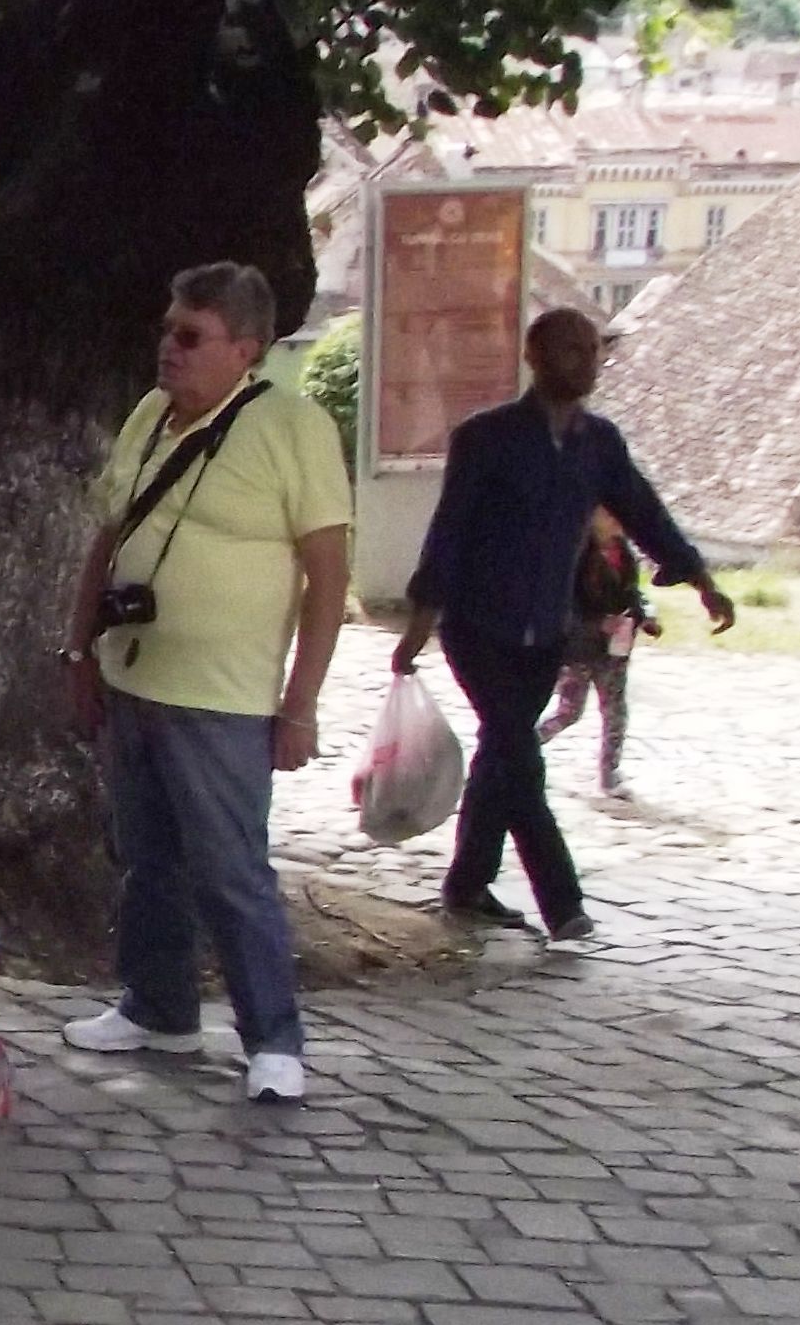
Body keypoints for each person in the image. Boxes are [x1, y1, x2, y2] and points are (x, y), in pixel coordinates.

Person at [61, 262, 352, 1105]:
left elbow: (328, 576)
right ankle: (158, 1007)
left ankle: (273, 1039)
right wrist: (75, 651)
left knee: (230, 870)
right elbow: (107, 537)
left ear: (244, 349)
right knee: (145, 859)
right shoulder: (148, 415)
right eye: (166, 330)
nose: (168, 348)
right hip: (133, 677)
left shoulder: (291, 427)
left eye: (189, 336)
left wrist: (300, 704)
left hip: (225, 697)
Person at [393, 307, 731, 938]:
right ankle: (563, 903)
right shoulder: (486, 437)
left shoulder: (599, 444)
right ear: (534, 356)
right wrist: (421, 623)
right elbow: (449, 532)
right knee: (519, 754)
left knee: (503, 752)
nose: (586, 362)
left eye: (593, 350)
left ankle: (467, 885)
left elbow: (644, 512)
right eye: (571, 350)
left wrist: (700, 579)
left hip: (546, 633)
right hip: (478, 628)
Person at [540, 510, 656, 796]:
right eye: (610, 515)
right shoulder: (575, 553)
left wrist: (646, 615)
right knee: (569, 712)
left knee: (615, 711)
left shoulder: (624, 554)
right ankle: (522, 750)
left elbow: (633, 593)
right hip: (579, 650)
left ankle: (609, 774)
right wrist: (597, 623)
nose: (617, 521)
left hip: (615, 648)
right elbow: (562, 603)